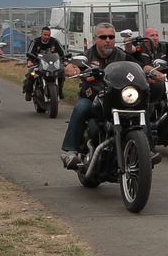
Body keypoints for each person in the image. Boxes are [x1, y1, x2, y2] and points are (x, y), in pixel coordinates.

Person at [60, 22, 152, 168]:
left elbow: (140, 66)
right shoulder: (88, 55)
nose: (108, 40)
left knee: (140, 109)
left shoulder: (121, 55)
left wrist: (154, 71)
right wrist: (72, 69)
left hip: (116, 98)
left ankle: (147, 151)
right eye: (103, 37)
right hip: (93, 97)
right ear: (95, 39)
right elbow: (71, 65)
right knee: (81, 108)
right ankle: (71, 151)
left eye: (111, 37)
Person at [23, 26, 67, 101]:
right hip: (38, 63)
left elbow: (62, 52)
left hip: (52, 64)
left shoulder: (55, 41)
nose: (47, 37)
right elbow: (29, 52)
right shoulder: (35, 42)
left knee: (61, 74)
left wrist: (65, 60)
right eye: (45, 35)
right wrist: (29, 61)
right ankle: (29, 92)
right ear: (41, 34)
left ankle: (59, 90)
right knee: (31, 74)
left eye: (48, 35)